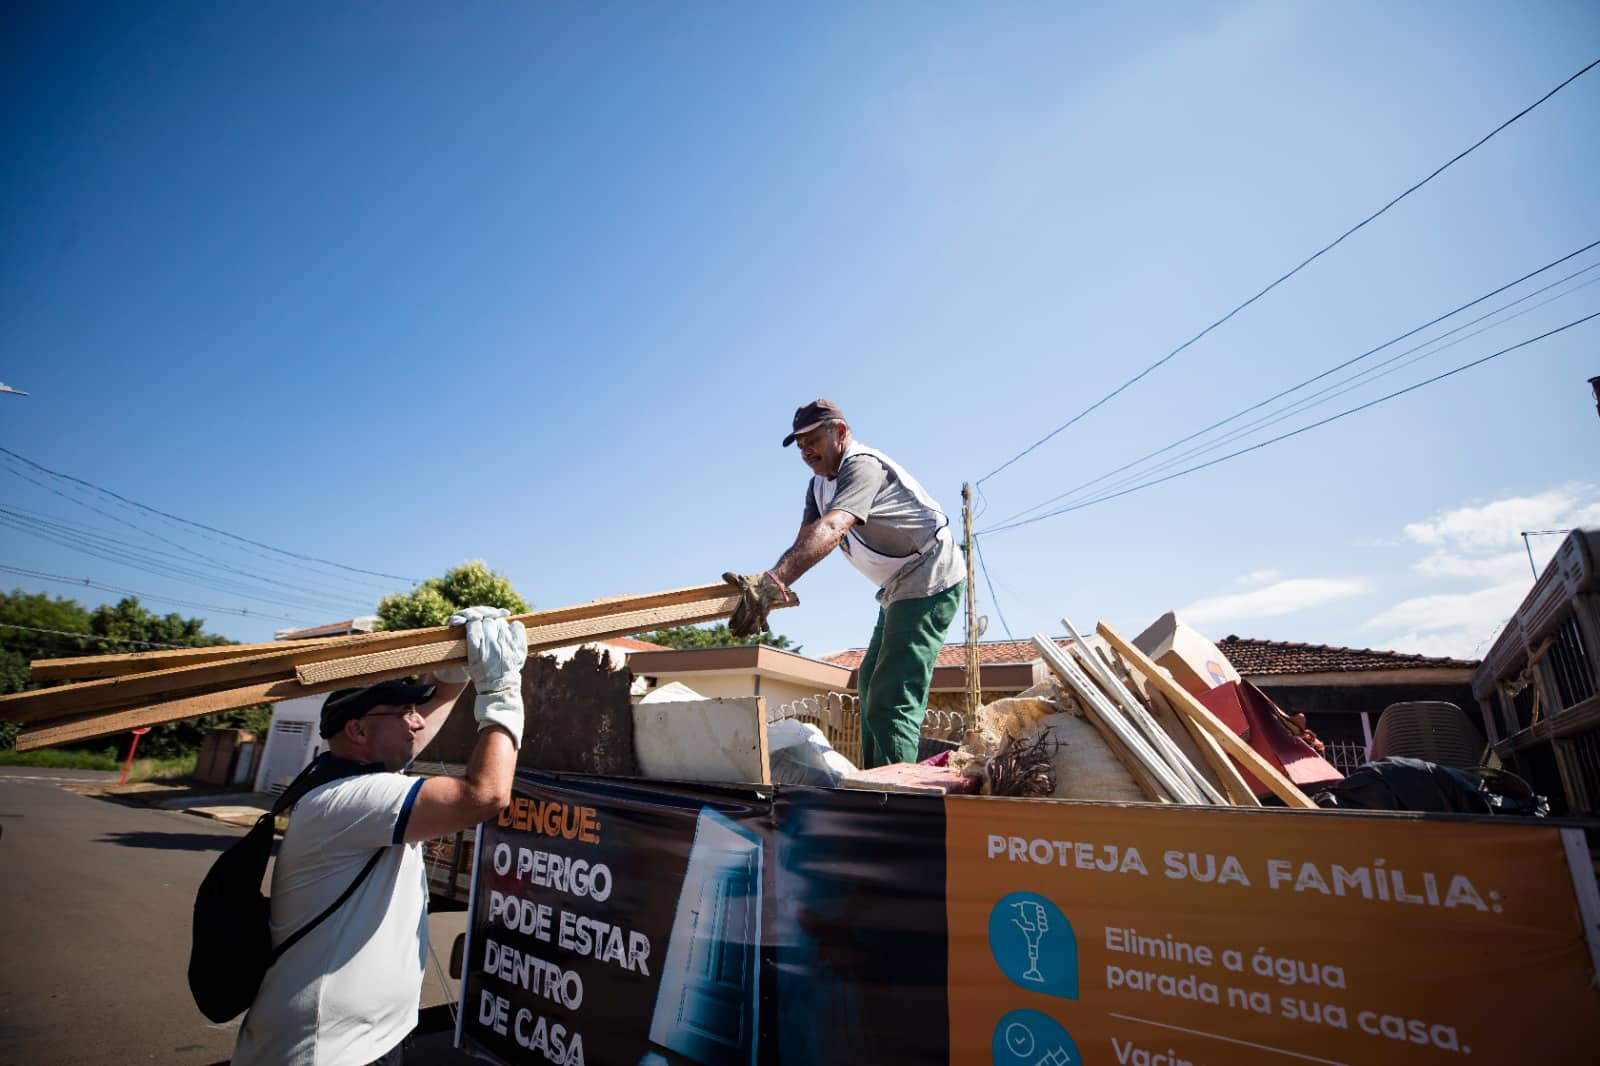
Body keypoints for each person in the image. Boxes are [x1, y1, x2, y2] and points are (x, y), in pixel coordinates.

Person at [231, 606, 527, 1066]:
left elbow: (415, 727)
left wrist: (455, 670)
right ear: (357, 730)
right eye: (404, 712)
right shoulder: (353, 798)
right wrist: (501, 691)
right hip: (326, 1052)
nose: (417, 721)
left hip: (362, 1040)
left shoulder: (345, 778)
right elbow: (484, 795)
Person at [727, 398, 965, 768]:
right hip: (898, 584)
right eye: (800, 446)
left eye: (813, 440)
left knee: (892, 693)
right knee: (870, 683)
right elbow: (806, 541)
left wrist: (774, 583)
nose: (806, 451)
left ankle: (893, 799)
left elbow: (834, 527)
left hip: (932, 570)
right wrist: (769, 588)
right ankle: (877, 780)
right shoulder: (818, 487)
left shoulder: (862, 467)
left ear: (839, 432)